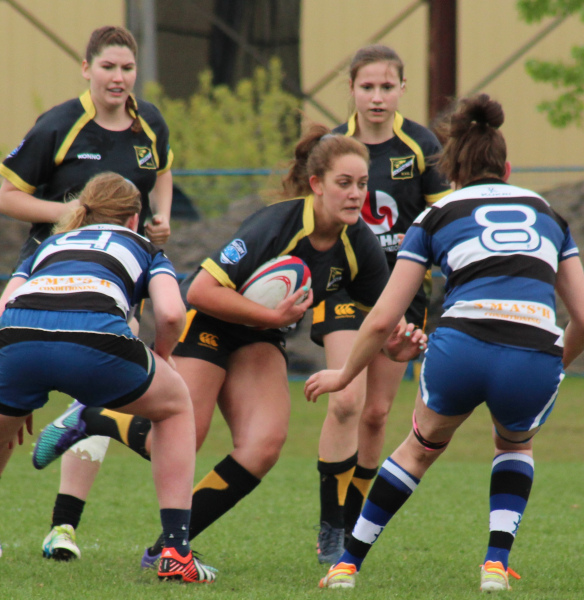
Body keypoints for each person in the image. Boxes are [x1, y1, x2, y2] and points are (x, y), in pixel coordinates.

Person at [32, 126, 427, 569]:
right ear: (317, 185)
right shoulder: (275, 224)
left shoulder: (360, 245)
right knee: (180, 435)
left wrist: (397, 347)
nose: (356, 194)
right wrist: (274, 318)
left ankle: (166, 547)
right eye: (344, 183)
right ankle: (95, 416)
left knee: (264, 446)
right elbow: (199, 290)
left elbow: (381, 320)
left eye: (362, 184)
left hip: (259, 337)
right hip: (210, 323)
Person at [305, 93, 584, 592]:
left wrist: (344, 374)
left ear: (451, 172)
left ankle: (346, 565)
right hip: (534, 347)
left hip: (461, 344)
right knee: (515, 443)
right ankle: (494, 566)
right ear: (507, 168)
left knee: (419, 449)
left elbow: (382, 319)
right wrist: (552, 364)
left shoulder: (435, 216)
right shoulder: (549, 213)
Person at [0, 25, 174, 560]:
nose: (118, 78)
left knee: (96, 393)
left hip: (118, 280)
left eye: (126, 69)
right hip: (51, 275)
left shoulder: (151, 124)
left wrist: (159, 220)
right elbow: (7, 195)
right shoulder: (59, 124)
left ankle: (63, 528)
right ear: (86, 69)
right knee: (8, 420)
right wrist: (75, 219)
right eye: (108, 68)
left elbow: (162, 174)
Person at [0, 172, 214, 582]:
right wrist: (162, 359)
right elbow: (171, 313)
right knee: (175, 406)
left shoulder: (48, 246)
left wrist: (12, 384)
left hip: (17, 341)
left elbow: (5, 308)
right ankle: (175, 551)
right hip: (96, 343)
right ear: (134, 218)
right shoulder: (145, 247)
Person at [312, 44, 449, 564]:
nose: (376, 96)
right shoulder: (332, 145)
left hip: (402, 293)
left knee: (375, 413)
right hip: (343, 288)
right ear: (350, 89)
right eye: (367, 87)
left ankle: (353, 523)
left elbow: (441, 221)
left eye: (386, 86)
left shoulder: (421, 145)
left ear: (401, 89)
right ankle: (330, 526)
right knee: (344, 400)